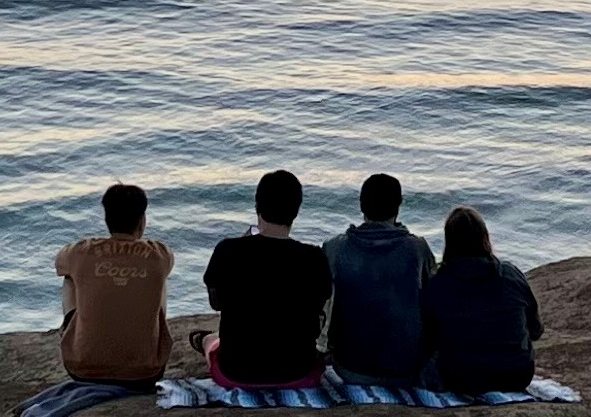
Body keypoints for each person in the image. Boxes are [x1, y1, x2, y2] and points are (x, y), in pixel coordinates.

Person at [200, 168, 334, 388]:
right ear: (296, 210)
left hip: (237, 371)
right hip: (299, 370)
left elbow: (216, 303)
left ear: (257, 207)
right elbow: (320, 305)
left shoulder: (228, 250)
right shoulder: (314, 257)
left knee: (209, 341)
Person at [54, 183, 175, 386]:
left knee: (70, 277)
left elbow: (59, 265)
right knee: (158, 279)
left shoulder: (81, 252)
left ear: (107, 218)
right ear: (142, 220)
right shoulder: (160, 255)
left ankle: (71, 329)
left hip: (83, 369)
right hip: (146, 373)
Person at [329, 171, 435, 387]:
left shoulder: (335, 248)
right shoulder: (417, 249)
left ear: (361, 206)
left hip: (349, 368)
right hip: (407, 370)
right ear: (398, 206)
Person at [423, 205, 542, 395]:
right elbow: (536, 330)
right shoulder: (510, 274)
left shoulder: (437, 284)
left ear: (449, 242)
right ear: (484, 238)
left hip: (460, 379)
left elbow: (428, 339)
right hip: (516, 375)